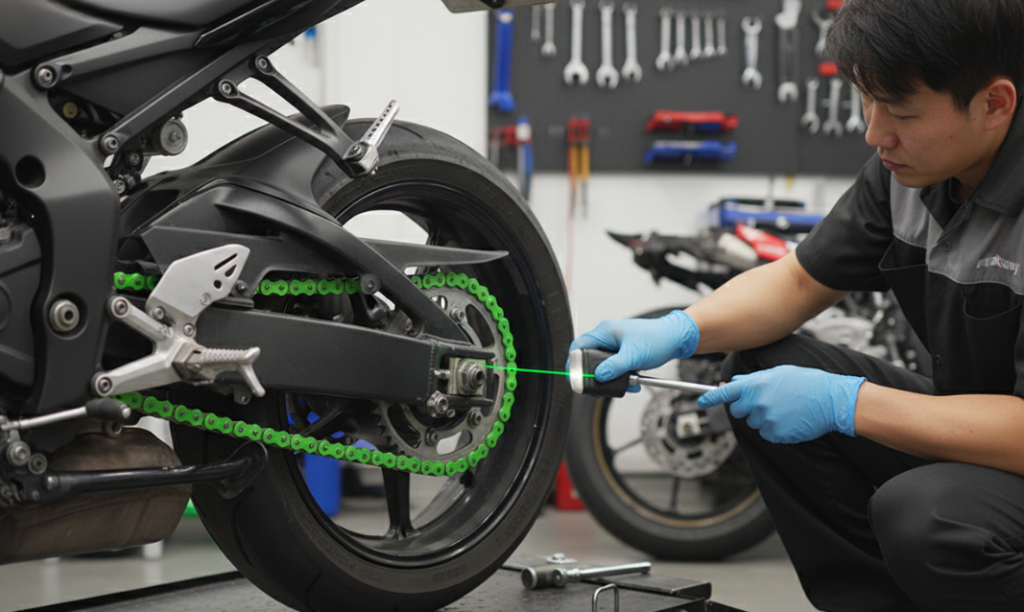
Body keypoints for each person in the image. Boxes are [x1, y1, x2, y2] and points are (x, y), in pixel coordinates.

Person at [568, 1, 1024, 610]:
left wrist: (848, 405)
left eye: (901, 111)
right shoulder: (907, 173)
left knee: (927, 517)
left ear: (995, 104)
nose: (874, 131)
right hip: (975, 430)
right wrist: (682, 330)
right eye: (867, 99)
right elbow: (800, 282)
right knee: (755, 365)